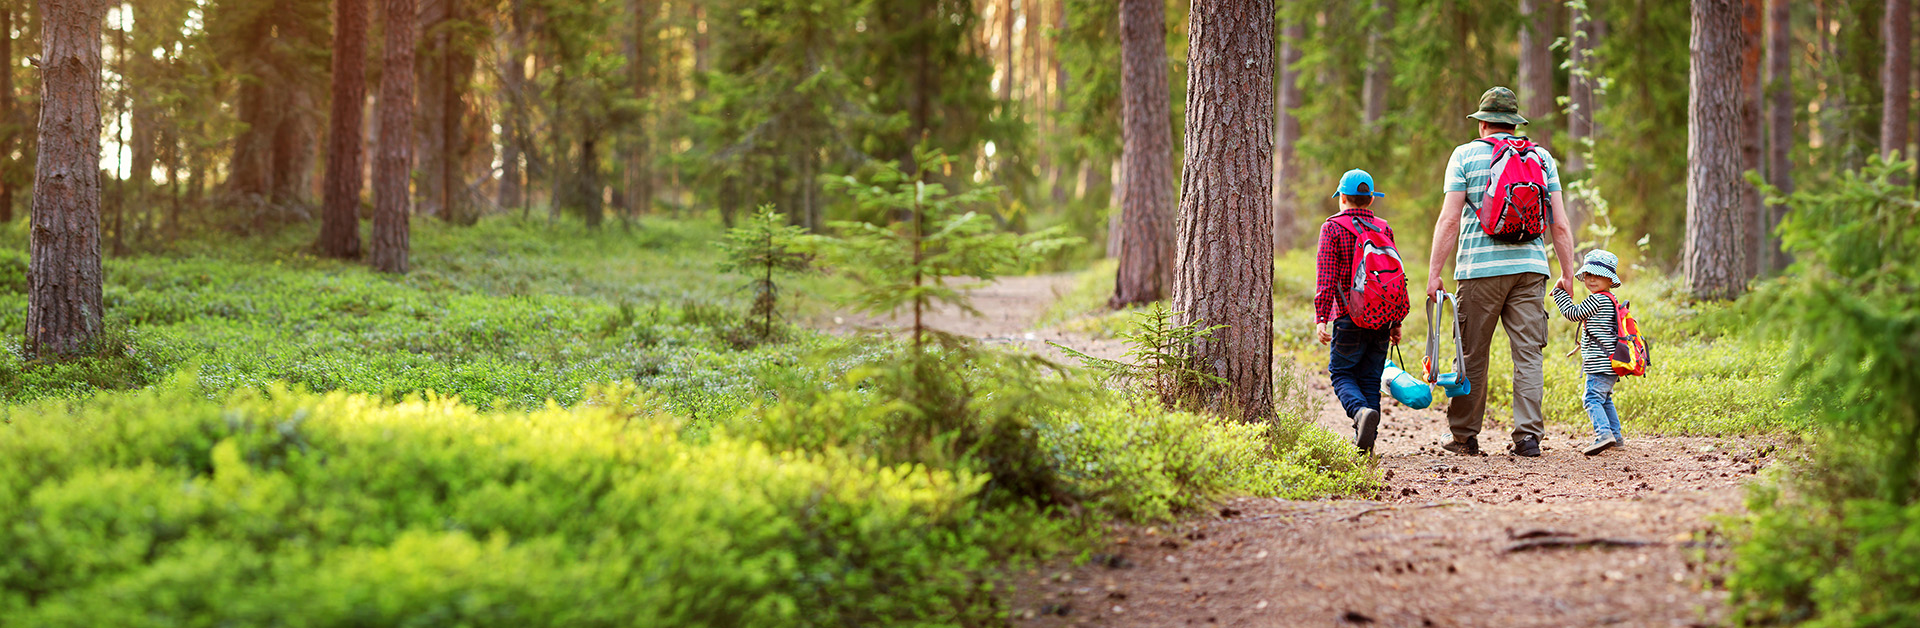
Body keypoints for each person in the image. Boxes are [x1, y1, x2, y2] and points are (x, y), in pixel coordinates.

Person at [1424, 86, 1579, 457]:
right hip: (1531, 269)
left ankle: (1463, 436)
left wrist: (1434, 273)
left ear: (1483, 125)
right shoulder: (1541, 157)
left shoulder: (1464, 156)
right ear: (1513, 123)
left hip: (1479, 271)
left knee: (1473, 353)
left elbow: (1449, 221)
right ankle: (1528, 437)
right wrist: (1567, 274)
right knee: (1528, 354)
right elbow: (1559, 224)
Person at [1315, 169, 1405, 453]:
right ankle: (1366, 445)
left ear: (1342, 197)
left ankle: (1358, 413)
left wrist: (1321, 317)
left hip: (1347, 315)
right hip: (1382, 316)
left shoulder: (1333, 227)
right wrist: (1396, 320)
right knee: (1369, 377)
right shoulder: (1383, 227)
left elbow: (1326, 277)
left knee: (1341, 374)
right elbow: (1395, 277)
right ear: (1370, 200)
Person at [1553, 249, 1626, 455]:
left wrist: (1559, 292)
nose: (1592, 280)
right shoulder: (1611, 299)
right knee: (1604, 398)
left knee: (1591, 398)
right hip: (1611, 362)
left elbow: (1572, 313)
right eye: (1588, 275)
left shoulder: (1597, 300)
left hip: (1599, 363)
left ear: (1610, 280)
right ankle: (1616, 436)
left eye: (1598, 276)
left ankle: (1604, 434)